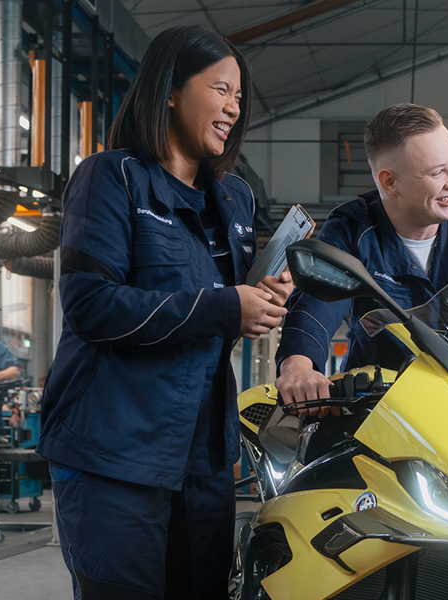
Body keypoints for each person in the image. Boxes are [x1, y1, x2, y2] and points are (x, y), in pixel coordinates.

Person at [39, 24, 290, 600]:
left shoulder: (234, 201)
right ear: (170, 91)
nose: (234, 107)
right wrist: (226, 306)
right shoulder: (111, 178)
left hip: (202, 459)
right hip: (114, 452)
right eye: (221, 89)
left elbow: (223, 310)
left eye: (239, 96)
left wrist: (265, 297)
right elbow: (90, 306)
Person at [275, 103, 448, 417]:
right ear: (389, 182)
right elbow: (316, 304)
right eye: (438, 172)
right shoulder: (351, 231)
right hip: (376, 415)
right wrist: (298, 366)